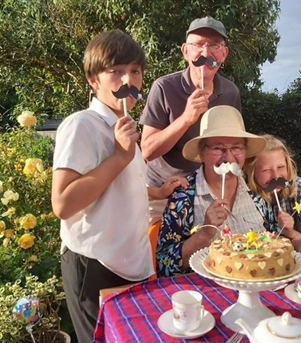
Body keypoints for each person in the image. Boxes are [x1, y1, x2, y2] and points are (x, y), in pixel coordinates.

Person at [50, 30, 154, 343]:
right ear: (94, 80)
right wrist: (120, 156)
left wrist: (157, 192)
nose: (128, 80)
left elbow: (118, 191)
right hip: (94, 264)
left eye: (134, 71)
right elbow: (63, 203)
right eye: (116, 72)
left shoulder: (125, 129)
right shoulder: (82, 124)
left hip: (130, 265)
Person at [155, 105, 282, 277]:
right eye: (218, 148)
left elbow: (273, 243)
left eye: (236, 148)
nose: (228, 158)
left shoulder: (256, 192)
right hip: (206, 296)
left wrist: (295, 241)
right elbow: (164, 264)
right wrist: (204, 233)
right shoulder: (182, 198)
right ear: (202, 152)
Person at [140, 16, 241, 229]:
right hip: (161, 191)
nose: (206, 54)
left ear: (224, 53)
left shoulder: (231, 92)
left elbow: (233, 145)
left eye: (214, 45)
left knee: (206, 253)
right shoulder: (164, 88)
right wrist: (186, 118)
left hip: (205, 192)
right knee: (157, 254)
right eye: (198, 45)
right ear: (185, 51)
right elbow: (147, 151)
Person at [244, 134, 301, 260]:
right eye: (266, 170)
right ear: (253, 172)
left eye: (281, 167)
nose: (276, 176)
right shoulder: (246, 196)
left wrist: (290, 232)